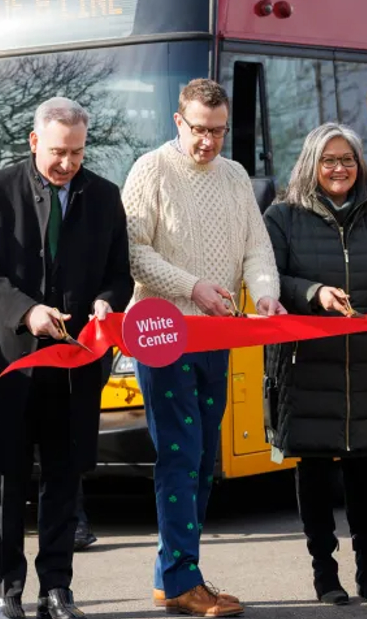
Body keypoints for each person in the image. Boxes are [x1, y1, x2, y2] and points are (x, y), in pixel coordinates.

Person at [0, 97, 132, 619]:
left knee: (63, 476)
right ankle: (6, 590)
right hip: (10, 361)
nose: (68, 163)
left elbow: (119, 273)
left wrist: (108, 301)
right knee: (7, 478)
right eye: (58, 152)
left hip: (77, 362)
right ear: (35, 142)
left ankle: (57, 588)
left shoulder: (104, 196)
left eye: (77, 152)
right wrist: (25, 311)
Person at [121, 78, 281, 617]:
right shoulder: (150, 170)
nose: (208, 142)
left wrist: (263, 296)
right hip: (163, 334)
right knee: (181, 455)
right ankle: (186, 582)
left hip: (220, 334)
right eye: (198, 130)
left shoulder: (235, 176)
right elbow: (132, 253)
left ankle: (172, 574)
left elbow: (257, 248)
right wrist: (192, 287)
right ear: (177, 122)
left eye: (217, 131)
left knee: (205, 459)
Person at [262, 123, 367, 605]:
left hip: (365, 368)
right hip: (305, 369)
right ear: (311, 165)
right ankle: (326, 578)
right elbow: (271, 280)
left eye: (348, 160)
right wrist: (313, 293)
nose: (339, 169)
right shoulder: (282, 218)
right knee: (315, 475)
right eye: (329, 160)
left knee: (363, 477)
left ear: (360, 168)